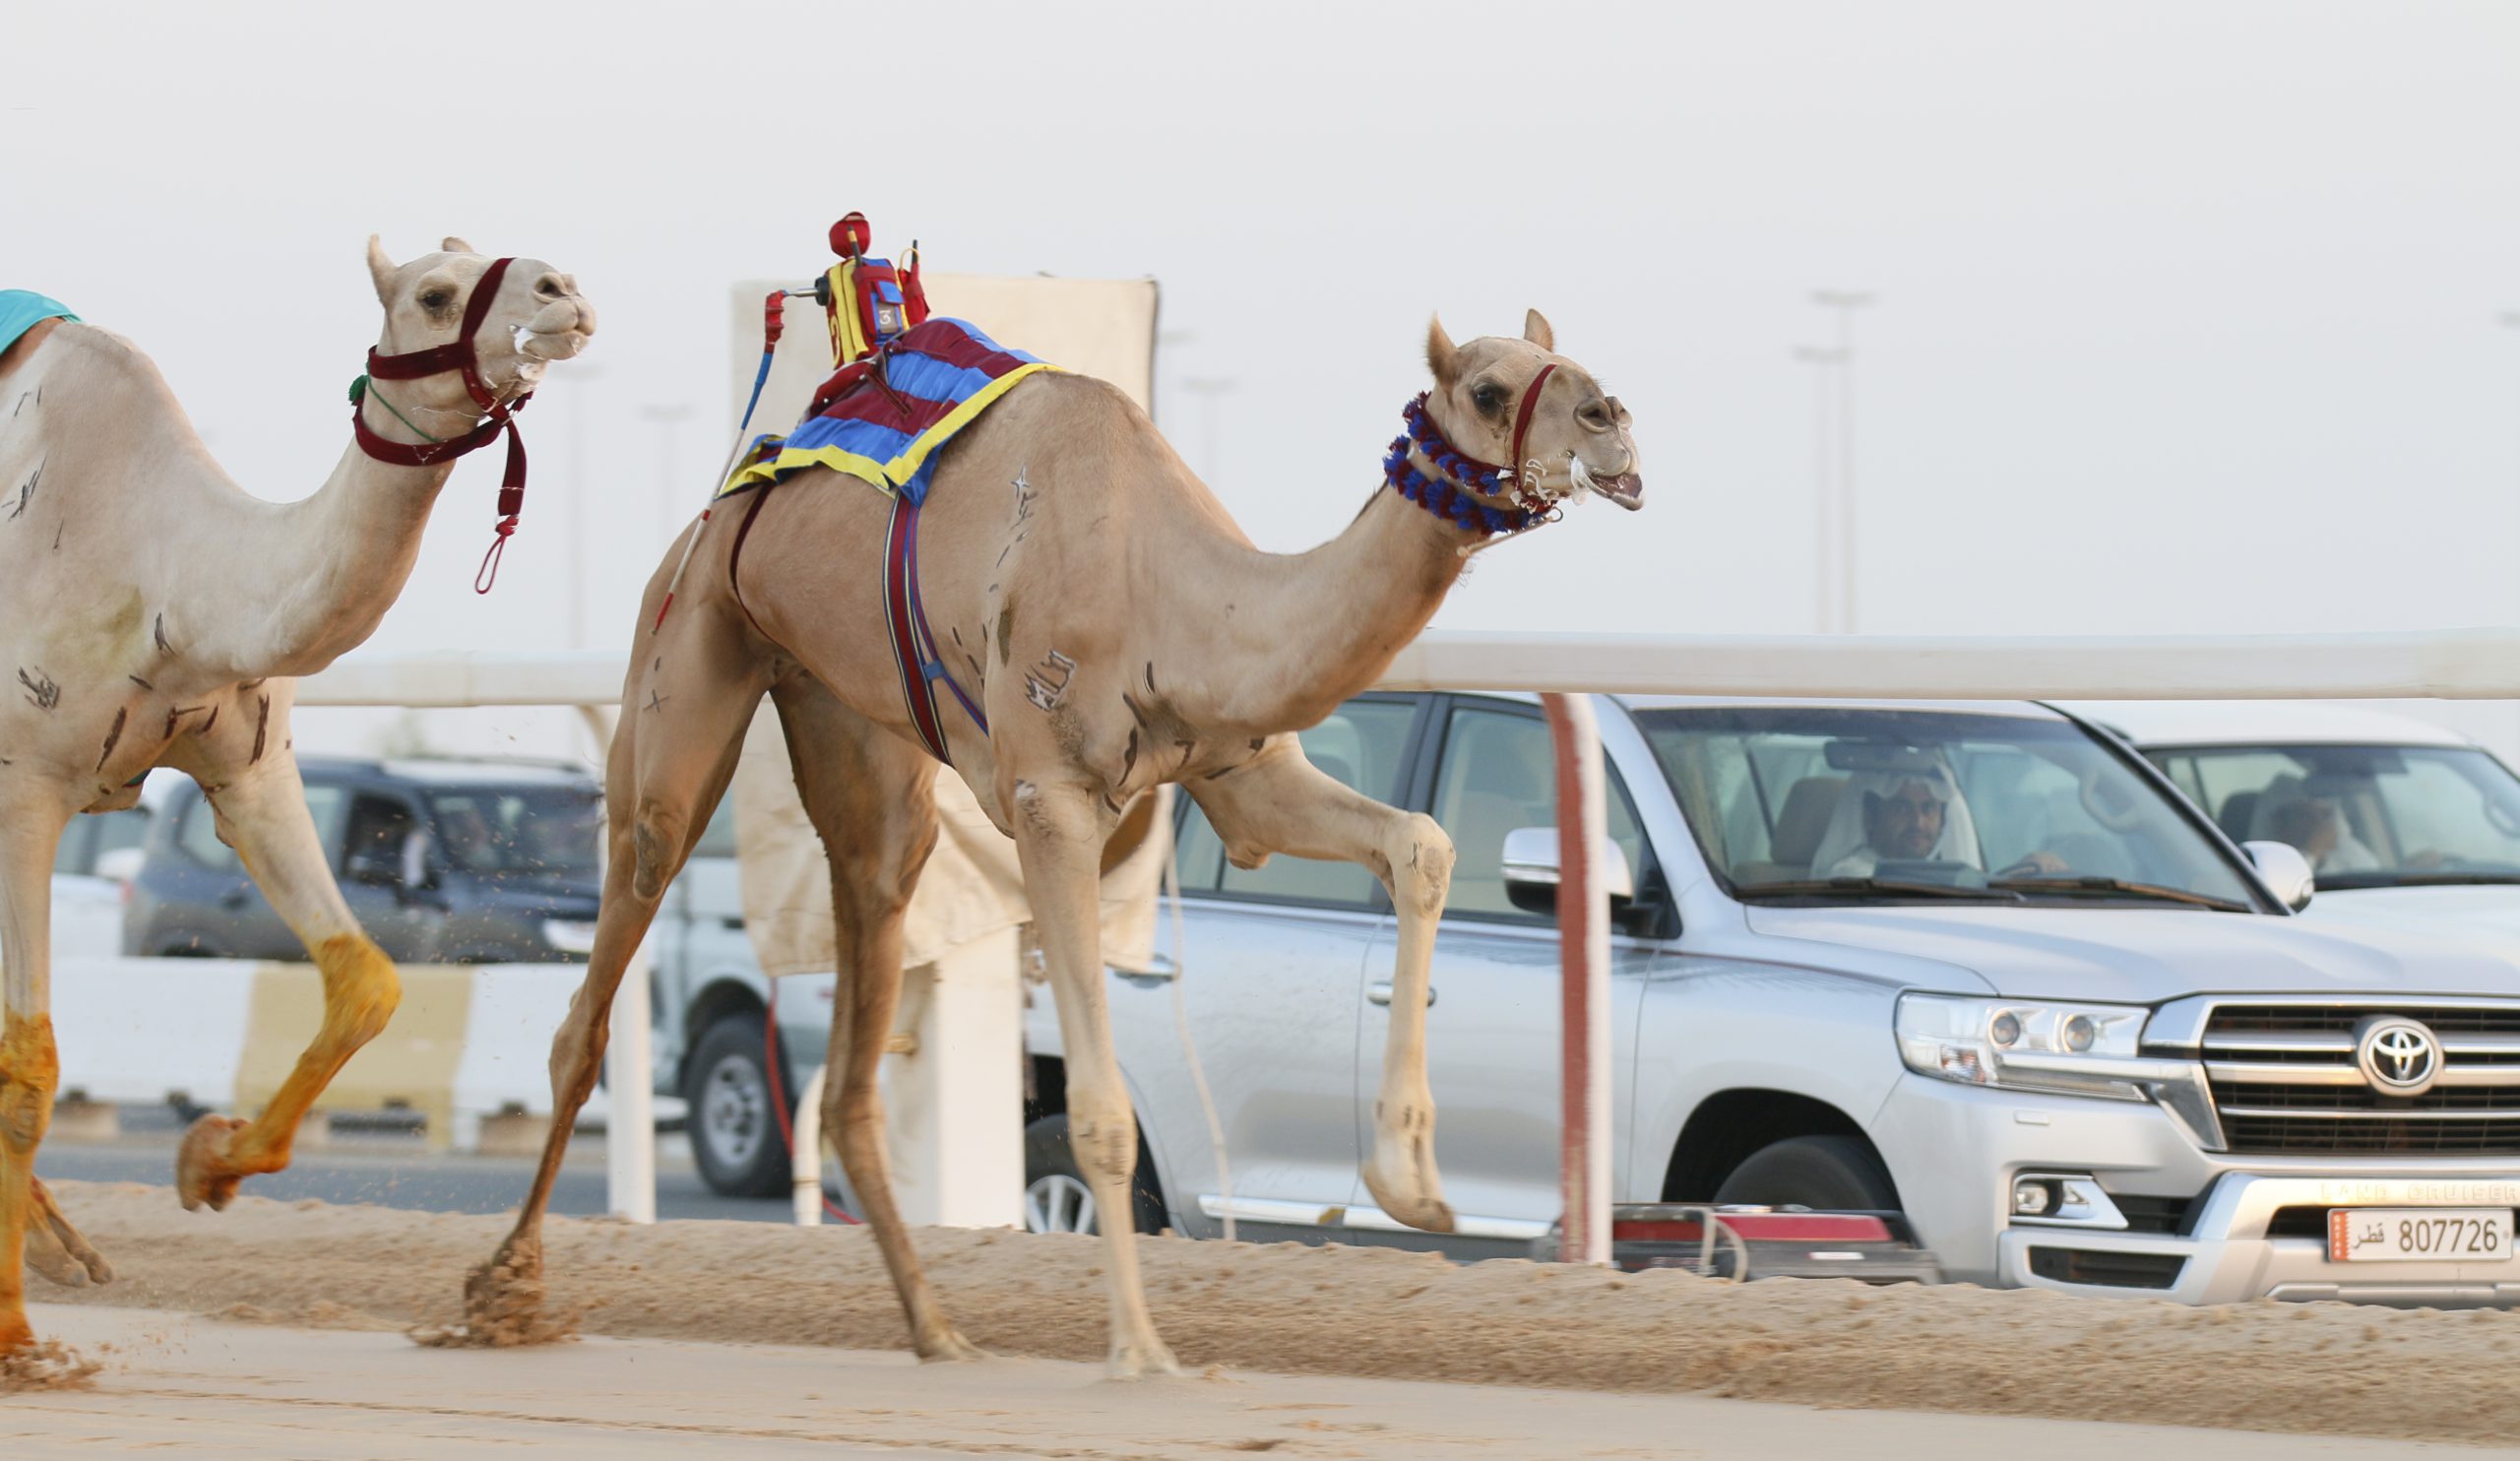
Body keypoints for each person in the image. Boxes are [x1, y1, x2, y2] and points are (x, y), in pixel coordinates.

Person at [1808, 761, 2067, 879]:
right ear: (1871, 817)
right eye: (1901, 808)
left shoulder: (1948, 876)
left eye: (1929, 808)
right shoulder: (1850, 877)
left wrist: (2027, 871)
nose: (1918, 822)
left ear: (1943, 819)